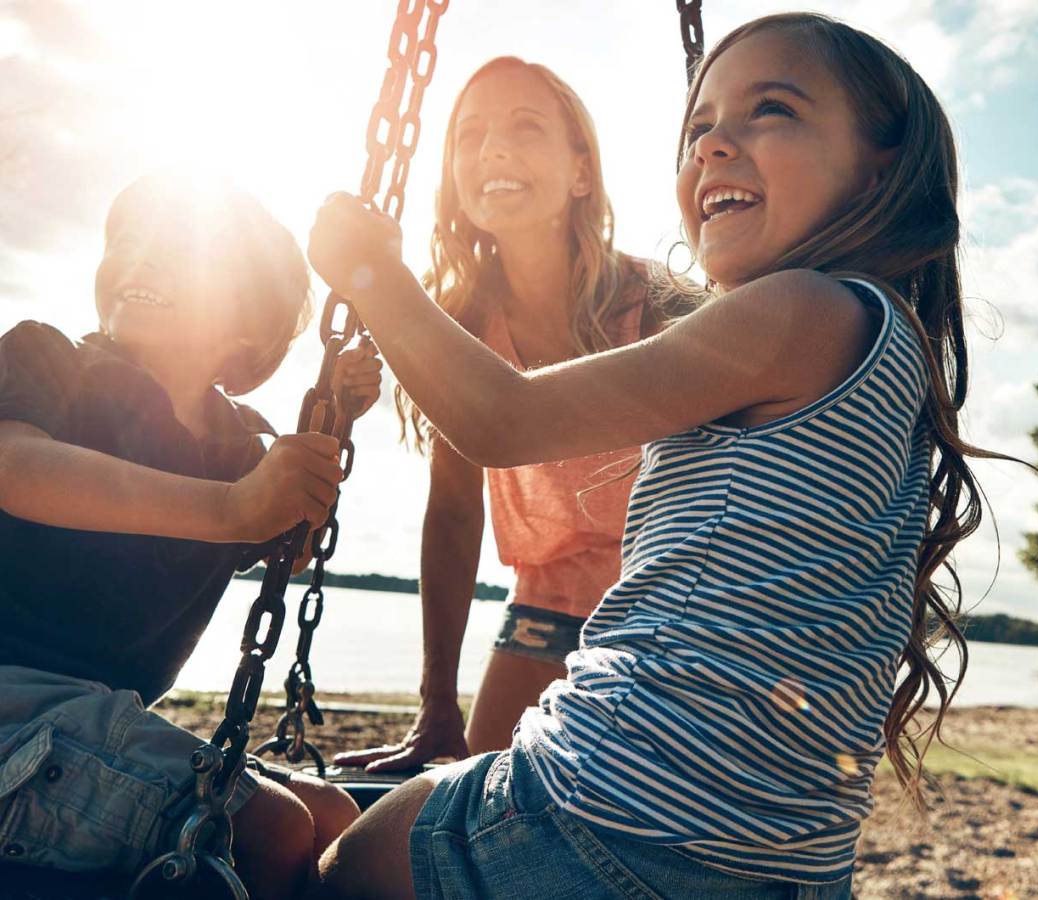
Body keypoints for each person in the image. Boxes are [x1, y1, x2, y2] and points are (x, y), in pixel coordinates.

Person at [309, 12, 998, 899]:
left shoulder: (793, 310)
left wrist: (369, 275)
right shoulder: (880, 337)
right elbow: (459, 493)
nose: (715, 145)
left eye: (772, 110)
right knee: (402, 799)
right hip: (777, 860)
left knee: (344, 865)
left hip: (622, 811)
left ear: (880, 164)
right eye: (700, 126)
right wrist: (438, 696)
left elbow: (500, 418)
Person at [0, 173, 379, 899]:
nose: (138, 258)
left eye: (177, 249)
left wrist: (330, 424)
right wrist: (231, 508)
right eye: (127, 241)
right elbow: (16, 468)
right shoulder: (48, 362)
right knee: (270, 830)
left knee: (333, 818)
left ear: (248, 321)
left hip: (95, 719)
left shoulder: (239, 447)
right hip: (12, 702)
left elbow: (287, 547)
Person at [336, 57, 689, 772]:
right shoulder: (461, 325)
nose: (492, 148)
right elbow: (457, 512)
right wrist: (438, 703)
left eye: (525, 127)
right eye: (469, 135)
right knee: (457, 801)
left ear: (581, 172)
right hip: (542, 611)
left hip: (665, 611)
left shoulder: (655, 306)